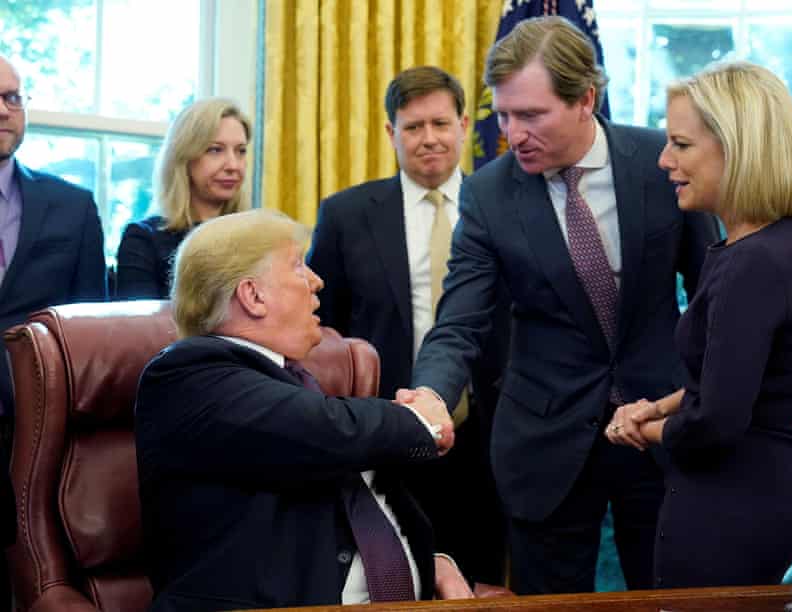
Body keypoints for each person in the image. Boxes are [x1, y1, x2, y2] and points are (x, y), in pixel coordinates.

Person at [400, 16, 721, 595]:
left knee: (672, 599)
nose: (512, 133)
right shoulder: (490, 193)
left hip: (657, 428)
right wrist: (431, 393)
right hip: (544, 447)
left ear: (585, 100)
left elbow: (711, 294)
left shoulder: (661, 164)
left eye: (530, 115)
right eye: (502, 115)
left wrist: (702, 397)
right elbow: (461, 320)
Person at [134, 209, 473, 611]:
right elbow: (329, 430)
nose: (317, 281)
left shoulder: (293, 382)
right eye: (298, 266)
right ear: (253, 295)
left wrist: (431, 563)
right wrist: (421, 420)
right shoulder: (188, 375)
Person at [605, 61, 792, 588]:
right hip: (760, 493)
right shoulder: (787, 241)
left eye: (681, 145)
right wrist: (657, 407)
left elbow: (716, 422)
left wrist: (637, 430)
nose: (664, 161)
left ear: (738, 147)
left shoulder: (753, 263)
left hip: (729, 509)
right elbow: (726, 381)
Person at [307, 65, 509, 586]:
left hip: (494, 432)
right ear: (390, 132)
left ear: (465, 125)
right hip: (388, 432)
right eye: (413, 126)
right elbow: (320, 333)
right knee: (398, 577)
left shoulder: (509, 209)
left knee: (483, 577)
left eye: (440, 123)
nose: (429, 139)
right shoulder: (346, 215)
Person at [0, 54, 106, 608]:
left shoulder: (72, 206)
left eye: (14, 98)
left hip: (38, 436)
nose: (5, 109)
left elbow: (90, 334)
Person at [115, 97, 251, 298]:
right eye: (215, 150)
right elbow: (140, 328)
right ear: (183, 158)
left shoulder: (259, 238)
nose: (233, 165)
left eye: (240, 151)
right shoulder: (143, 239)